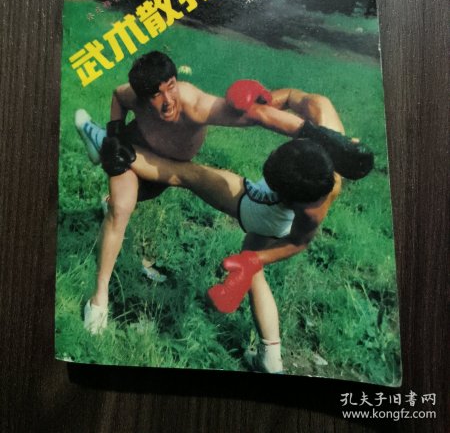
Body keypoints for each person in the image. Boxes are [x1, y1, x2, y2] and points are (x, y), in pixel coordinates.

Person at [76, 51, 372, 335]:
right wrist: (266, 97)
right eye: (156, 94)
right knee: (124, 205)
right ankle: (99, 298)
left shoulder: (313, 203)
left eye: (171, 87)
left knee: (184, 179)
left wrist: (256, 261)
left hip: (259, 208)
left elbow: (299, 241)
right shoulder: (321, 112)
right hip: (138, 150)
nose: (167, 101)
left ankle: (99, 141)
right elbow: (282, 102)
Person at [128, 125, 369, 373]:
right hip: (280, 214)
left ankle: (118, 149)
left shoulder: (309, 211)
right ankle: (270, 358)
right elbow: (301, 109)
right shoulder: (327, 154)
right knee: (254, 273)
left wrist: (253, 259)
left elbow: (298, 243)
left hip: (264, 212)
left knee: (186, 173)